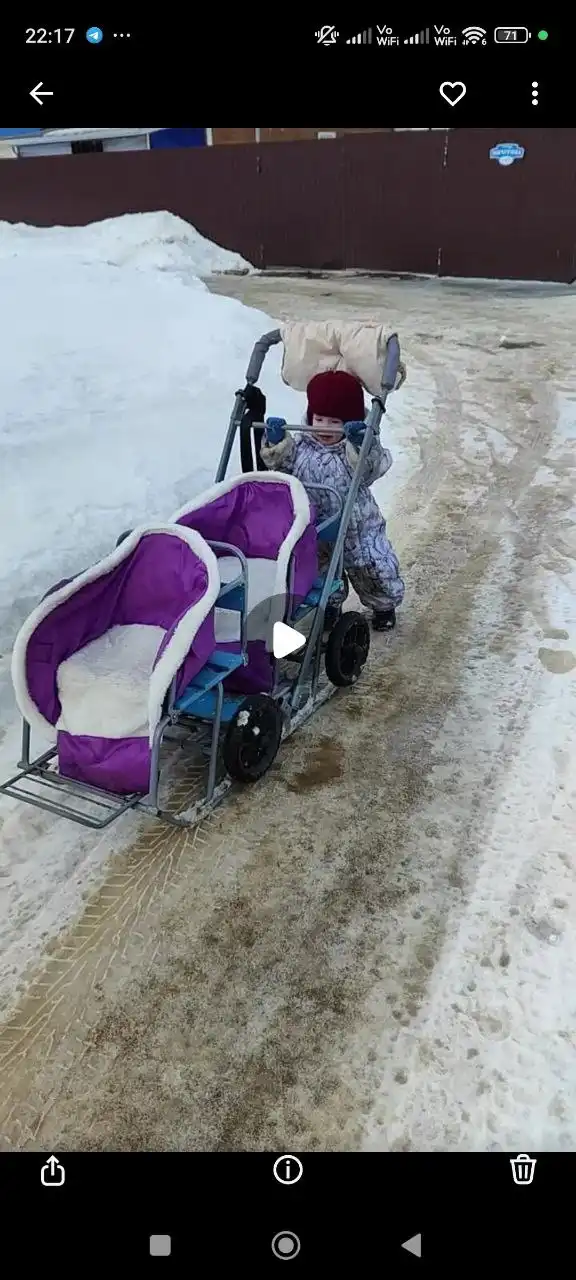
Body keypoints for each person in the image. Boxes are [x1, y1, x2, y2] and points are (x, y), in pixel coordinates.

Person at [260, 369, 404, 630]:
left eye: (334, 422)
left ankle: (384, 606)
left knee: (372, 569)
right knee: (321, 570)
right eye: (319, 418)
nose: (324, 427)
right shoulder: (302, 445)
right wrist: (277, 442)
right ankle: (330, 605)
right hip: (317, 525)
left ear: (349, 422)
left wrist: (362, 443)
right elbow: (282, 468)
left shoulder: (350, 451)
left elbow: (371, 467)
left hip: (357, 527)